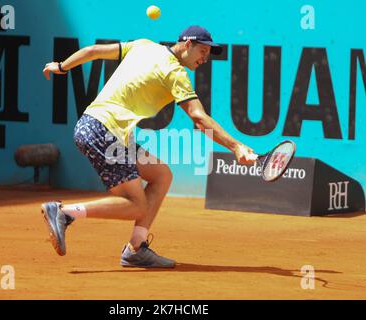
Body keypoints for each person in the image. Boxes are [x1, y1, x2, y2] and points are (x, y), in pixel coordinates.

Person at [41, 25, 256, 268]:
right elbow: (198, 118)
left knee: (161, 174)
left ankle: (136, 248)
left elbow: (92, 51)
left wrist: (61, 66)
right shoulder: (175, 73)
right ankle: (65, 213)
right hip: (104, 130)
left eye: (208, 54)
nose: (205, 59)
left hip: (96, 126)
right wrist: (236, 146)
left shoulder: (143, 45)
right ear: (187, 45)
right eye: (203, 51)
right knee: (136, 205)